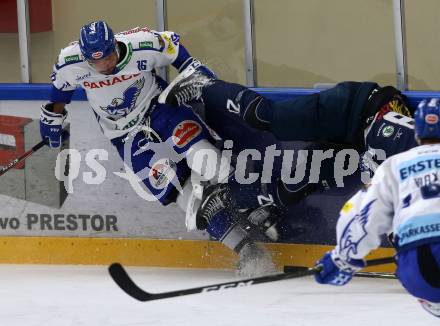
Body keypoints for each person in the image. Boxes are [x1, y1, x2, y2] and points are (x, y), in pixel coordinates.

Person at [39, 21, 279, 277]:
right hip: (126, 137)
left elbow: (175, 49)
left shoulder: (141, 44)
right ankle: (248, 251)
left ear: (114, 46)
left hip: (160, 110)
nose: (104, 66)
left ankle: (254, 209)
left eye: (108, 57)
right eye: (95, 63)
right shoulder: (69, 62)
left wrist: (201, 79)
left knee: (201, 154)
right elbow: (59, 95)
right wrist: (53, 120)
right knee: (185, 198)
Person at [158, 60, 418, 200]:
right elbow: (376, 197)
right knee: (266, 117)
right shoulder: (408, 142)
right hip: (350, 109)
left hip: (356, 146)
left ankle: (249, 209)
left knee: (291, 189)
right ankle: (204, 83)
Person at [313, 99, 440, 318]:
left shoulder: (395, 164)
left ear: (417, 131)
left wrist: (342, 259)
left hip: (419, 265)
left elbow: (361, 214)